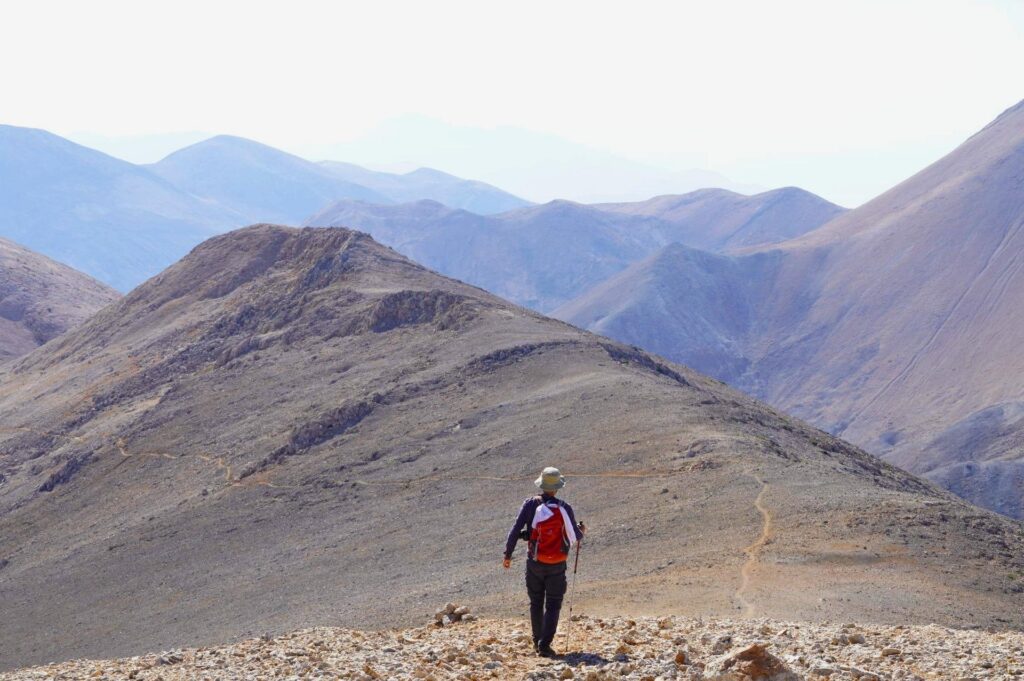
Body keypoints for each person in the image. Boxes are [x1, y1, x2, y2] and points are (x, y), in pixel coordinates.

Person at [503, 466, 585, 657]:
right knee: (554, 604)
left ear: (541, 484)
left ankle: (536, 642)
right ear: (557, 488)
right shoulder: (565, 508)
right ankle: (545, 645)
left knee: (536, 602)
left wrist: (508, 555)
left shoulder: (530, 504)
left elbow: (515, 530)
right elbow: (576, 535)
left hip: (534, 562)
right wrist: (583, 529)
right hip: (557, 564)